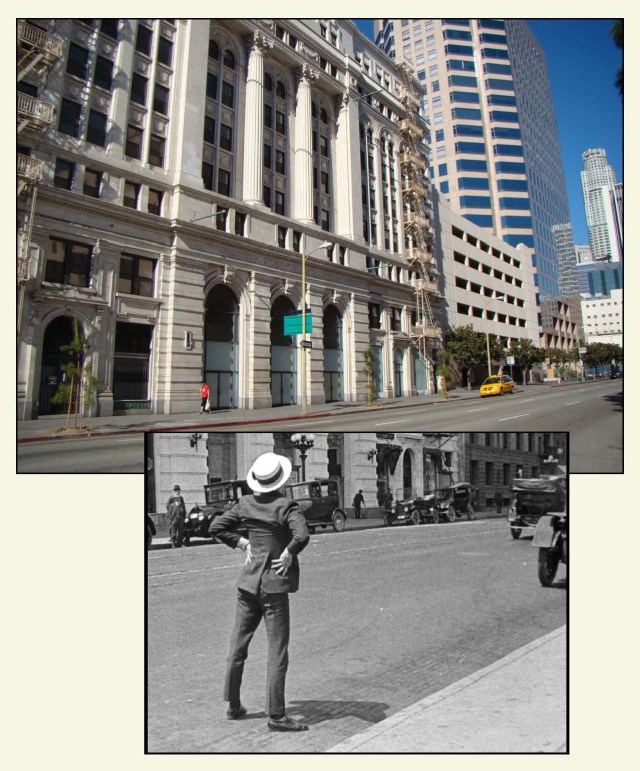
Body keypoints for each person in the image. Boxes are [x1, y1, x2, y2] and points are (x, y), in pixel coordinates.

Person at [209, 452, 310, 732]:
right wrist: (288, 553)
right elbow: (302, 535)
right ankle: (276, 715)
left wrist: (242, 543)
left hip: (247, 584)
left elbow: (216, 526)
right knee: (277, 650)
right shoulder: (287, 506)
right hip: (274, 587)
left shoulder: (245, 503)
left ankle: (233, 703)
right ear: (281, 480)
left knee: (238, 645)